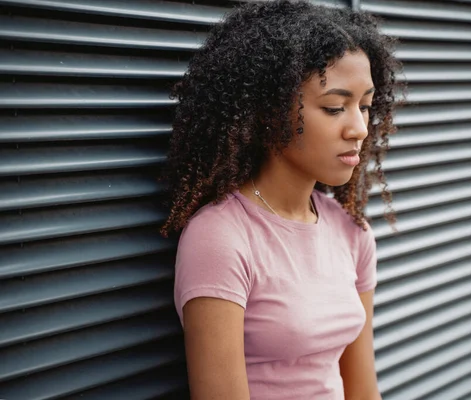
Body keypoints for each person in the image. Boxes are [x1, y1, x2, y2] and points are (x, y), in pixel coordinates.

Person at [160, 1, 399, 398]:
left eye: (365, 106)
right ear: (270, 110)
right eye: (335, 107)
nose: (358, 127)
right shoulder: (220, 238)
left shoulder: (351, 232)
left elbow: (362, 391)